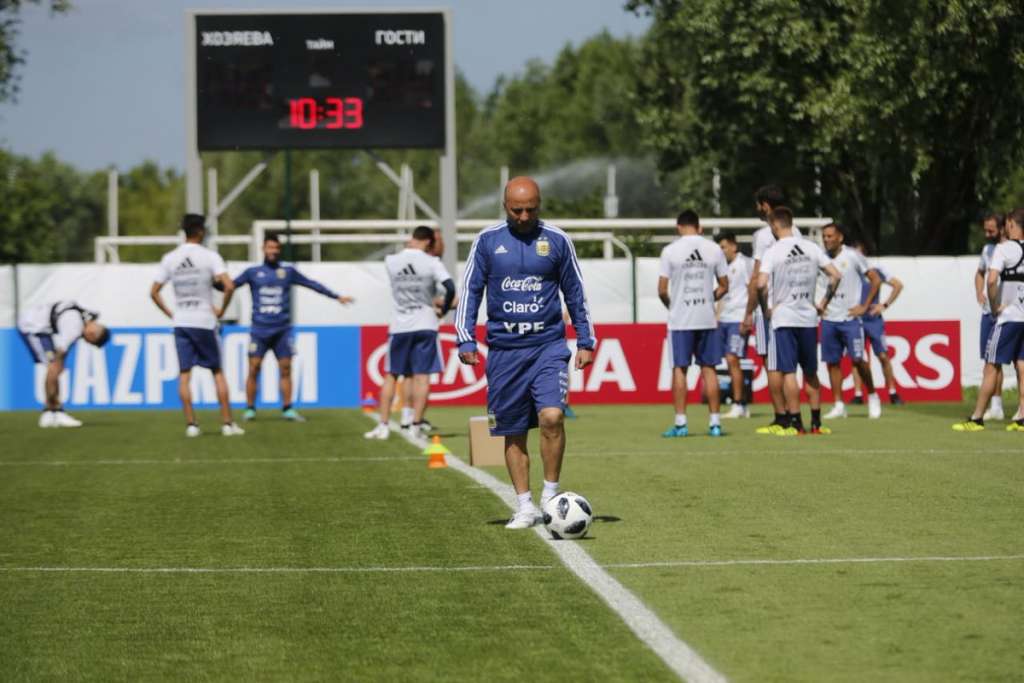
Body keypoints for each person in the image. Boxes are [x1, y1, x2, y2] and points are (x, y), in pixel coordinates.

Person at [456, 176, 595, 529]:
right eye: (516, 209)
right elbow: (471, 291)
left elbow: (575, 292)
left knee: (552, 417)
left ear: (540, 205)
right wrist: (465, 338)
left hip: (548, 347)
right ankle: (525, 506)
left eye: (530, 209)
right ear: (505, 206)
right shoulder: (487, 242)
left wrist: (585, 340)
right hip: (504, 351)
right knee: (512, 431)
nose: (523, 216)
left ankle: (550, 496)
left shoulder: (557, 240)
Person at [233, 233, 354, 422]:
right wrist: (212, 284)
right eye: (270, 247)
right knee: (254, 368)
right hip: (259, 330)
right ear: (263, 249)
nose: (273, 251)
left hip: (282, 330)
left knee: (286, 368)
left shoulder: (288, 272)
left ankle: (288, 408)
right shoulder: (252, 273)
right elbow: (230, 286)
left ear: (279, 250)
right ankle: (249, 408)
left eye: (276, 248)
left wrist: (336, 296)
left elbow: (312, 284)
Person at [150, 213, 244, 438]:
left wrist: (171, 313)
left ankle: (192, 425)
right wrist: (221, 310)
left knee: (184, 374)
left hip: (181, 321)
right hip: (204, 320)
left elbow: (153, 292)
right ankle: (228, 424)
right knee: (217, 372)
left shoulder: (170, 258)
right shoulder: (210, 256)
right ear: (201, 231)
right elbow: (229, 286)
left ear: (184, 231)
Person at [756, 207, 841, 435]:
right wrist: (823, 302)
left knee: (789, 372)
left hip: (784, 318)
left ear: (774, 226)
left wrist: (766, 308)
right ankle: (816, 423)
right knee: (811, 372)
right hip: (809, 317)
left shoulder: (773, 251)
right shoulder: (812, 247)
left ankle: (795, 423)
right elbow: (836, 275)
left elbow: (761, 284)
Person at [365, 226, 456, 440]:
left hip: (400, 325)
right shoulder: (432, 262)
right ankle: (416, 424)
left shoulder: (391, 261)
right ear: (428, 242)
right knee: (422, 378)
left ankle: (383, 425)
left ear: (412, 238)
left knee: (392, 376)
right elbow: (450, 287)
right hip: (425, 323)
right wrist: (442, 310)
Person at [658, 209, 729, 437]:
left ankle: (681, 423)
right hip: (706, 317)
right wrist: (710, 299)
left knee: (680, 369)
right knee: (709, 369)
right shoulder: (714, 248)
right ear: (699, 226)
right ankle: (715, 423)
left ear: (679, 227)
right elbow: (724, 285)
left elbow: (661, 289)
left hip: (680, 319)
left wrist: (673, 304)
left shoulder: (670, 251)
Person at [954, 208, 1024, 432]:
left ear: (1011, 224)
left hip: (1008, 317)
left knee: (991, 366)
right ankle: (1022, 418)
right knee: (1022, 365)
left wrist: (995, 306)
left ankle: (976, 418)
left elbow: (991, 280)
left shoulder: (1004, 249)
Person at [740, 185, 801, 433]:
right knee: (790, 365)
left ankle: (781, 418)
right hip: (795, 305)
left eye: (758, 204)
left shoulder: (764, 235)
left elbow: (757, 277)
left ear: (766, 205)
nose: (757, 209)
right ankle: (798, 416)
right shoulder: (796, 232)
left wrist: (747, 313)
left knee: (772, 363)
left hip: (770, 307)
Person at [819, 223, 883, 420]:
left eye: (830, 236)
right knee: (832, 362)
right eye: (824, 236)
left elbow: (876, 280)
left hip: (850, 318)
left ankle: (872, 395)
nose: (827, 239)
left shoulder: (853, 256)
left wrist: (864, 306)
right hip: (829, 318)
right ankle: (839, 404)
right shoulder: (820, 258)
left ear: (840, 238)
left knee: (858, 359)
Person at [17, 301, 110, 428]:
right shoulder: (74, 327)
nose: (86, 342)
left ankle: (53, 411)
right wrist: (59, 364)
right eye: (91, 342)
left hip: (40, 325)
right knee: (53, 367)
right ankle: (51, 412)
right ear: (92, 335)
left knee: (54, 367)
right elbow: (61, 353)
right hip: (32, 327)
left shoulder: (87, 317)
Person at [850, 240, 905, 405]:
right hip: (856, 319)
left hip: (873, 320)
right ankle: (858, 394)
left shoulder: (877, 270)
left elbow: (898, 285)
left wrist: (884, 305)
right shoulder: (850, 271)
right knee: (857, 358)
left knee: (882, 356)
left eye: (858, 254)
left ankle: (893, 392)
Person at [716, 233, 753, 418]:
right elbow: (722, 294)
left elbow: (752, 290)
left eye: (723, 247)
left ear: (733, 246)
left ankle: (738, 404)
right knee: (730, 363)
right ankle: (743, 404)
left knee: (733, 359)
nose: (721, 251)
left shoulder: (745, 263)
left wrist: (748, 316)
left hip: (738, 318)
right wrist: (716, 317)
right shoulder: (721, 267)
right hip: (724, 319)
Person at [974, 213, 1007, 419]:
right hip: (989, 312)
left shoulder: (1013, 250)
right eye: (985, 229)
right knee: (991, 360)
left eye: (991, 230)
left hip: (1007, 312)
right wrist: (979, 291)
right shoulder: (987, 250)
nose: (987, 234)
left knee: (1016, 362)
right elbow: (980, 273)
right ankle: (996, 406)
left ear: (1003, 228)